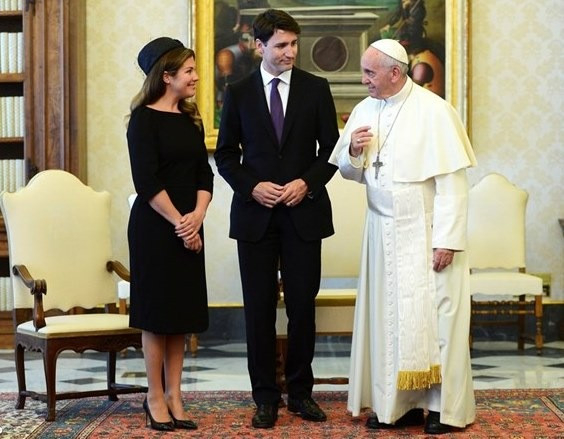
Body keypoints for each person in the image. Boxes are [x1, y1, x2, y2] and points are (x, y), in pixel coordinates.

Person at [329, 39, 476, 434]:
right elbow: (349, 170)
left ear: (395, 73)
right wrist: (353, 151)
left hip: (427, 232)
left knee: (439, 321)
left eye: (369, 73)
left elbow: (453, 185)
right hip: (382, 232)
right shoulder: (365, 110)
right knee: (388, 320)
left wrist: (447, 240)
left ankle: (445, 410)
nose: (363, 80)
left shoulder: (435, 111)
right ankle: (398, 406)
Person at [214, 9, 339, 429]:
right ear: (259, 46)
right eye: (281, 45)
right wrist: (252, 187)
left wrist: (307, 183)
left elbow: (331, 151)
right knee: (259, 310)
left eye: (294, 44)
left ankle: (301, 394)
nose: (290, 52)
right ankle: (265, 398)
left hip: (304, 214)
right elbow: (226, 156)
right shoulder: (238, 92)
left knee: (303, 308)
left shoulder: (316, 89)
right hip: (256, 218)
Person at [126, 37, 213, 432]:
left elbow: (204, 175)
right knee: (157, 315)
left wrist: (197, 216)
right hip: (155, 228)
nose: (196, 77)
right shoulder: (142, 120)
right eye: (189, 70)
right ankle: (155, 396)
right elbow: (146, 181)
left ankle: (176, 395)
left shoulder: (191, 118)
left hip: (190, 224)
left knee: (181, 314)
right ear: (167, 76)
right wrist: (181, 223)